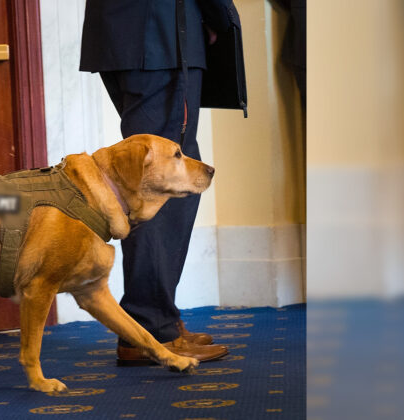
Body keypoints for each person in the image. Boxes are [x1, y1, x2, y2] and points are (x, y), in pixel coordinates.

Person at [80, 0, 248, 364]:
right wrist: (221, 15)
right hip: (162, 36)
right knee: (165, 183)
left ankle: (158, 320)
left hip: (130, 34)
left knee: (167, 176)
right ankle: (150, 328)